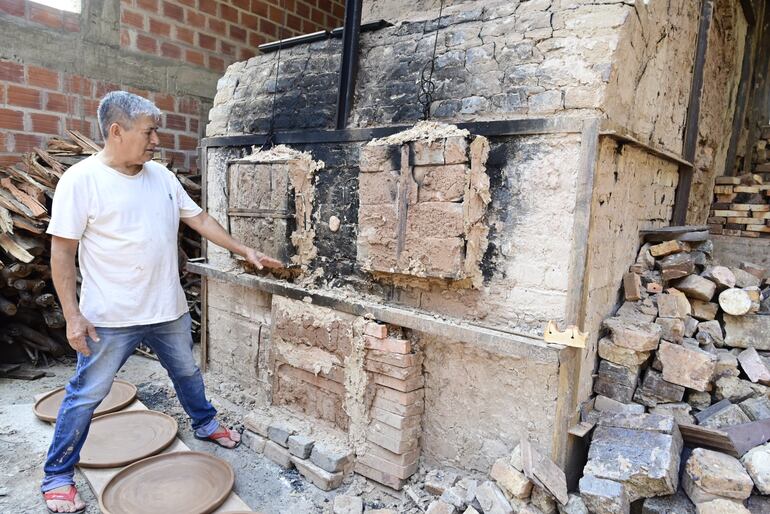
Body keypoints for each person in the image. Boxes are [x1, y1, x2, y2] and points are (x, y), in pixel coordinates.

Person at [41, 90, 282, 513]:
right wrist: (72, 316)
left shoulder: (163, 177)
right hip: (110, 317)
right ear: (116, 131)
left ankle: (205, 424)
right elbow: (61, 253)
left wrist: (243, 250)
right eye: (149, 132)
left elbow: (200, 218)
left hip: (167, 307)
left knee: (187, 370)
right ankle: (57, 476)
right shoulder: (81, 181)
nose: (157, 141)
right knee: (85, 394)